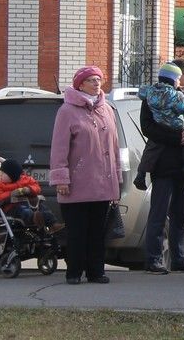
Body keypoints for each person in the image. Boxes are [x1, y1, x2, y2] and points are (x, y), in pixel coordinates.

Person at [48, 66, 120, 284]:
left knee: (97, 232)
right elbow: (59, 147)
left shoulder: (106, 109)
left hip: (102, 183)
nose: (97, 83)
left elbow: (114, 146)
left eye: (98, 79)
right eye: (91, 80)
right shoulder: (67, 111)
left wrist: (116, 178)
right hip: (77, 183)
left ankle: (96, 271)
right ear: (80, 85)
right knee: (77, 231)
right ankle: (74, 272)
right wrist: (61, 178)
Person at [140, 59, 184, 274]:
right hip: (163, 163)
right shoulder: (152, 98)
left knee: (180, 214)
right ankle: (154, 258)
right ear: (179, 76)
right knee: (159, 213)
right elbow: (148, 128)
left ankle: (179, 258)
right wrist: (177, 137)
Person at [133, 62, 184, 191]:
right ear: (177, 78)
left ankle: (141, 173)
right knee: (160, 208)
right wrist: (179, 137)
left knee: (149, 151)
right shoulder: (178, 96)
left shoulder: (151, 93)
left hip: (180, 172)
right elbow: (147, 128)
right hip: (163, 166)